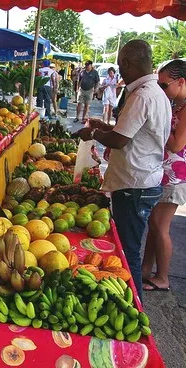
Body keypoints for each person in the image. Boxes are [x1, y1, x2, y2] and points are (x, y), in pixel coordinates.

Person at [76, 40, 172, 300]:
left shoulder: (141, 95)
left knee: (128, 251)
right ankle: (132, 299)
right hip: (143, 179)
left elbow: (121, 141)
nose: (120, 71)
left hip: (134, 185)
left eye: (121, 66)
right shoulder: (155, 92)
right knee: (129, 246)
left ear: (127, 64)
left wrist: (93, 133)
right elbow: (131, 132)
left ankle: (133, 303)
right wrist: (105, 126)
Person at [142, 60, 186, 292]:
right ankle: (146, 269)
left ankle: (163, 278)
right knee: (153, 223)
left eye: (164, 84)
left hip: (176, 177)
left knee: (161, 226)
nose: (160, 89)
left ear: (181, 82)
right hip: (164, 173)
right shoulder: (177, 105)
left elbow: (178, 144)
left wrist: (160, 127)